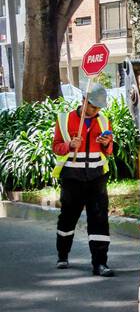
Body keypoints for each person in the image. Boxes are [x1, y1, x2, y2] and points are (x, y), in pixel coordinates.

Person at [51, 84, 115, 276]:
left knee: (100, 220)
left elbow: (109, 151)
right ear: (84, 101)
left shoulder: (103, 121)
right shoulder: (64, 120)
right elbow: (56, 147)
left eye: (99, 108)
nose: (97, 111)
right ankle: (63, 255)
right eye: (93, 106)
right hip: (72, 178)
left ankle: (100, 263)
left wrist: (107, 144)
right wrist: (69, 145)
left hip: (97, 177)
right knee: (67, 218)